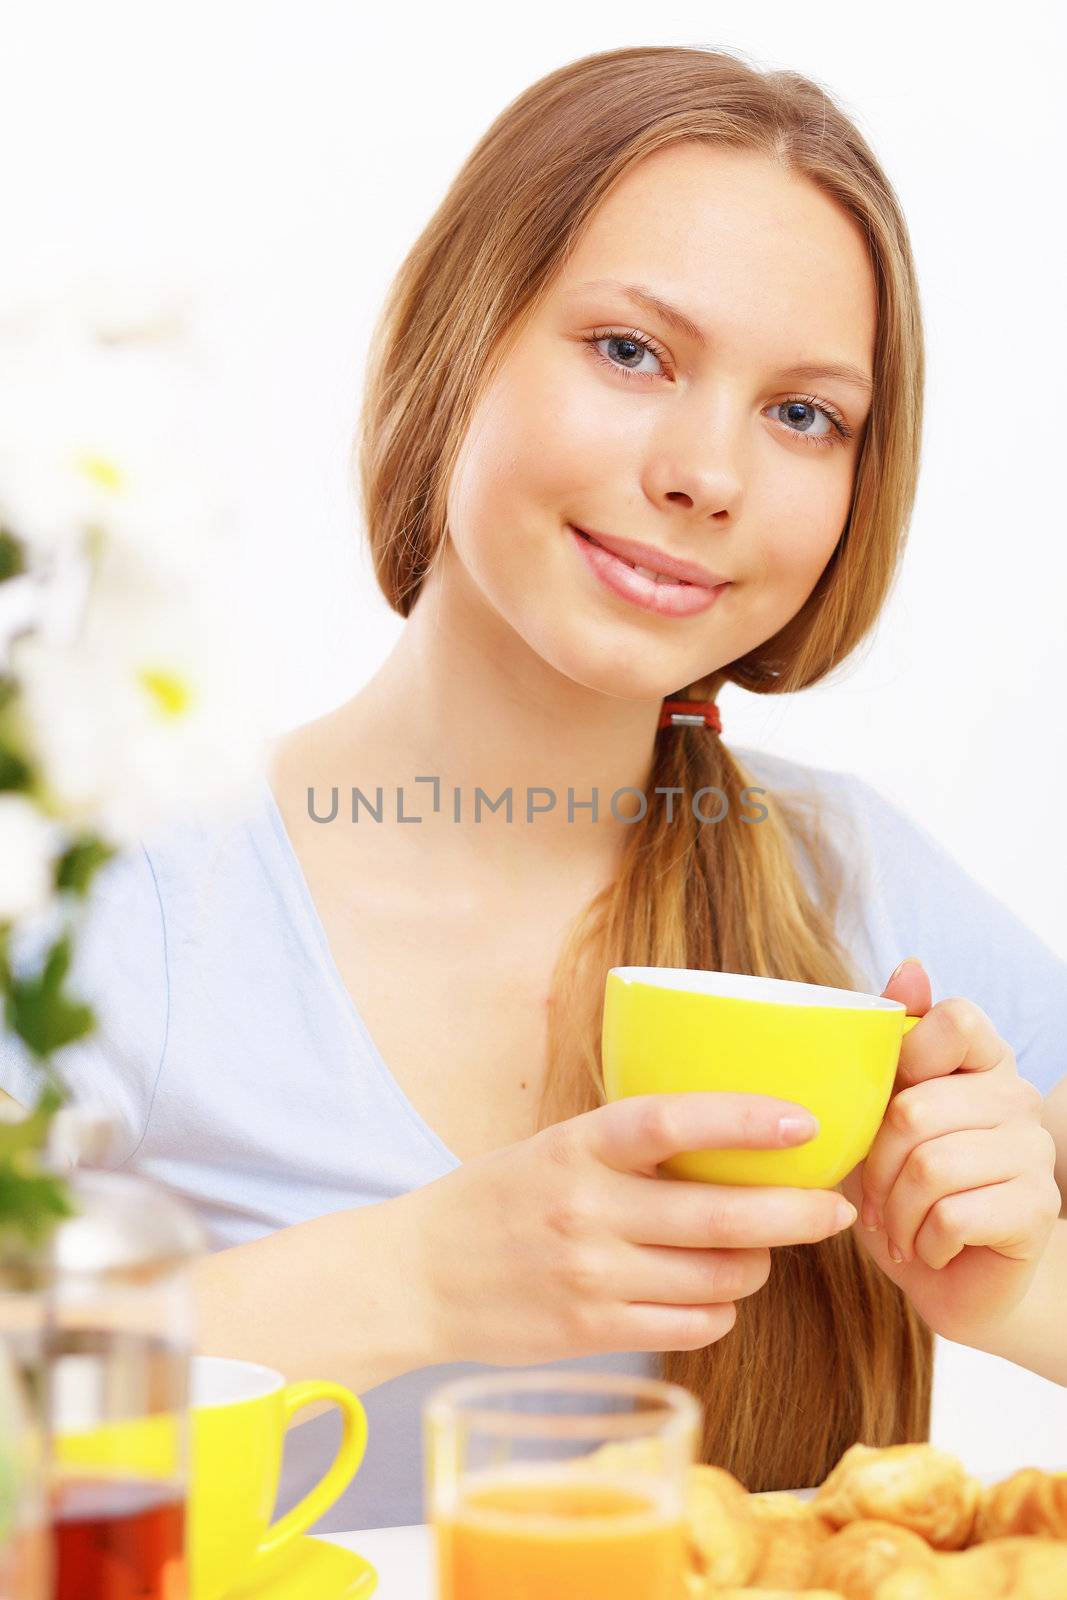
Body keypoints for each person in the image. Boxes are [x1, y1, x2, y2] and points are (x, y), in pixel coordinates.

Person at [2, 45, 1065, 1534]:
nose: (708, 472)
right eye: (632, 351)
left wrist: (1024, 1294)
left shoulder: (853, 891)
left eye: (805, 414)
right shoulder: (118, 895)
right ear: (461, 340)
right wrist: (418, 1274)